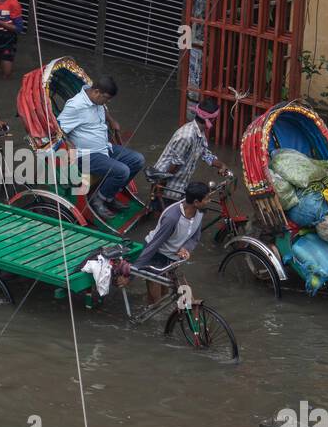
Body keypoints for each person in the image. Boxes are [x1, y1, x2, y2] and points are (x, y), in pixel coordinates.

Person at [56, 76, 143, 223]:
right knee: (122, 171)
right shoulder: (75, 106)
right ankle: (98, 200)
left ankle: (108, 195)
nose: (107, 102)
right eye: (106, 98)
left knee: (137, 160)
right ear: (96, 92)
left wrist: (111, 120)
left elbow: (102, 109)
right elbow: (58, 129)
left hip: (103, 148)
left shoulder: (96, 101)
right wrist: (68, 143)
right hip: (85, 155)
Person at [131, 181, 208, 305]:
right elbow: (154, 245)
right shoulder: (172, 218)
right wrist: (132, 271)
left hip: (172, 256)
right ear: (196, 202)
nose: (208, 201)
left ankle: (181, 311)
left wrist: (186, 248)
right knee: (156, 301)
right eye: (206, 199)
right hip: (155, 254)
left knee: (167, 293)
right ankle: (151, 315)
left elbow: (195, 236)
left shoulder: (200, 212)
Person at [148, 96, 228, 205]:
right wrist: (160, 187)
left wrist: (221, 165)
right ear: (212, 119)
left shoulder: (200, 133)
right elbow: (174, 165)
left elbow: (205, 154)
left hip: (180, 183)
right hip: (169, 184)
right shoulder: (186, 136)